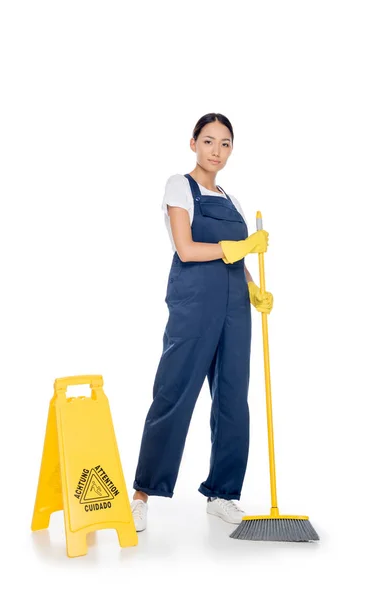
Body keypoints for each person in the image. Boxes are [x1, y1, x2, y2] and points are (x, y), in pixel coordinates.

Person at [130, 113, 273, 532]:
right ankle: (141, 493)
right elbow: (187, 248)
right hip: (195, 305)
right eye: (208, 141)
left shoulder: (232, 198)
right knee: (174, 393)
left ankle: (223, 493)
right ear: (193, 143)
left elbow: (237, 259)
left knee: (232, 402)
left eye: (225, 143)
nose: (216, 151)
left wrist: (253, 290)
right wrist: (238, 245)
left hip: (235, 310)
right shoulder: (180, 185)